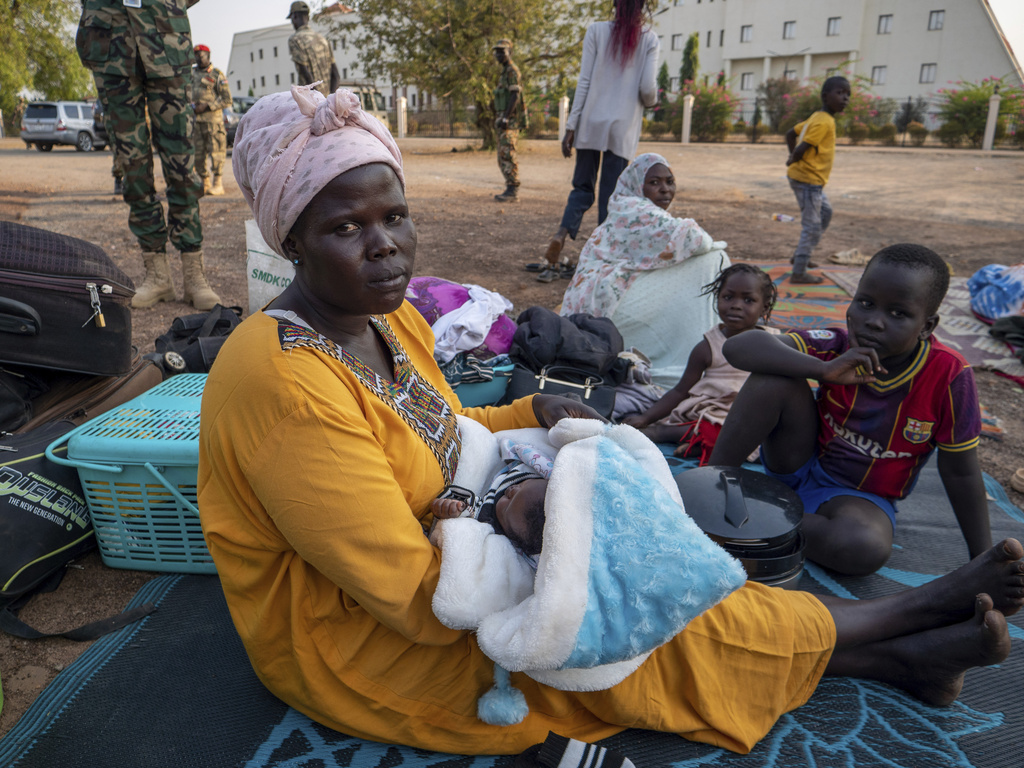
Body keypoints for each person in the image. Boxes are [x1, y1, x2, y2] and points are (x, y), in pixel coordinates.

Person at [199, 85, 1023, 758]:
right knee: (630, 614)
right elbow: (408, 597)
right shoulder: (280, 381)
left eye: (394, 216)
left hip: (450, 534)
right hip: (361, 637)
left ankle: (899, 652)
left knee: (650, 560)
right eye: (345, 228)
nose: (386, 247)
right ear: (292, 241)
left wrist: (533, 411)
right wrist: (540, 539)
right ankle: (901, 629)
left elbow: (445, 428)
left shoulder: (381, 315)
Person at [709, 244, 992, 577]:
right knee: (773, 378)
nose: (873, 322)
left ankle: (753, 516)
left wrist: (983, 559)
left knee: (864, 547)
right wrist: (822, 370)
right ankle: (710, 486)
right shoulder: (837, 344)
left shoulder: (949, 377)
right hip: (796, 462)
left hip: (858, 497)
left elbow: (961, 472)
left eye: (898, 313)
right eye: (866, 304)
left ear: (927, 326)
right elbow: (739, 346)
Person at [75, 0, 222, 312]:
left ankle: (194, 275)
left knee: (182, 165)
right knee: (133, 167)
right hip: (109, 45)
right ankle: (157, 276)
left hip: (165, 40)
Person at [534, 0, 659, 283]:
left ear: (615, 5)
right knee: (611, 196)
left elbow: (585, 81)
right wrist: (652, 100)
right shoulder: (649, 39)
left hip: (590, 122)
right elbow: (648, 89)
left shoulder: (595, 31)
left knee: (582, 187)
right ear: (644, 7)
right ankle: (603, 255)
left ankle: (561, 234)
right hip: (622, 128)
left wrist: (570, 127)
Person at [621, 264, 778, 462]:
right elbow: (680, 391)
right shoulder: (708, 347)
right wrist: (646, 417)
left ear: (764, 307)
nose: (736, 305)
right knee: (718, 429)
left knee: (767, 435)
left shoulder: (775, 344)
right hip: (712, 414)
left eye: (748, 300)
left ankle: (700, 444)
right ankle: (661, 433)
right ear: (718, 299)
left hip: (749, 414)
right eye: (728, 297)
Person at [559, 153, 717, 318]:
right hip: (607, 304)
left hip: (583, 302)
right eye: (654, 183)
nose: (665, 189)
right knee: (712, 258)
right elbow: (698, 239)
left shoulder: (621, 207)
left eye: (670, 182)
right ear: (636, 184)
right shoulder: (638, 210)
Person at [784, 76, 851, 285]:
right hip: (808, 181)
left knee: (825, 212)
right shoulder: (823, 121)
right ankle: (799, 271)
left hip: (810, 180)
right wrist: (792, 158)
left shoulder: (818, 117)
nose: (845, 98)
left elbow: (790, 134)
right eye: (839, 93)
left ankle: (801, 255)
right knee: (812, 226)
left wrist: (792, 157)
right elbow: (802, 147)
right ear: (825, 96)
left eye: (847, 95)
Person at [191, 44, 232, 197]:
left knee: (217, 152)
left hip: (213, 122)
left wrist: (208, 106)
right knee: (198, 155)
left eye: (200, 55)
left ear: (208, 56)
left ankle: (217, 184)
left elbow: (227, 99)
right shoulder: (191, 74)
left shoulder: (216, 74)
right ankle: (204, 183)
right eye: (195, 55)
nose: (197, 58)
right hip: (196, 122)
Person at [492, 39, 525, 204]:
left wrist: (505, 117)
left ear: (509, 52)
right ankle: (510, 187)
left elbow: (515, 95)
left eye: (502, 51)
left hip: (509, 121)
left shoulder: (512, 71)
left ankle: (513, 189)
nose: (498, 54)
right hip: (504, 120)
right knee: (502, 155)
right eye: (496, 51)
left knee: (508, 153)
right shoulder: (505, 71)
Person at [287, 0, 340, 97]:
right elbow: (336, 75)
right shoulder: (322, 39)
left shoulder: (295, 39)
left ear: (294, 16)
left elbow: (305, 73)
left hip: (310, 100)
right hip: (326, 101)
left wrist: (317, 99)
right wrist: (329, 100)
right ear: (307, 17)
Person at [90, 79, 125, 195]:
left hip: (130, 115)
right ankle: (119, 180)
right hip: (114, 117)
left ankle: (133, 182)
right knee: (118, 149)